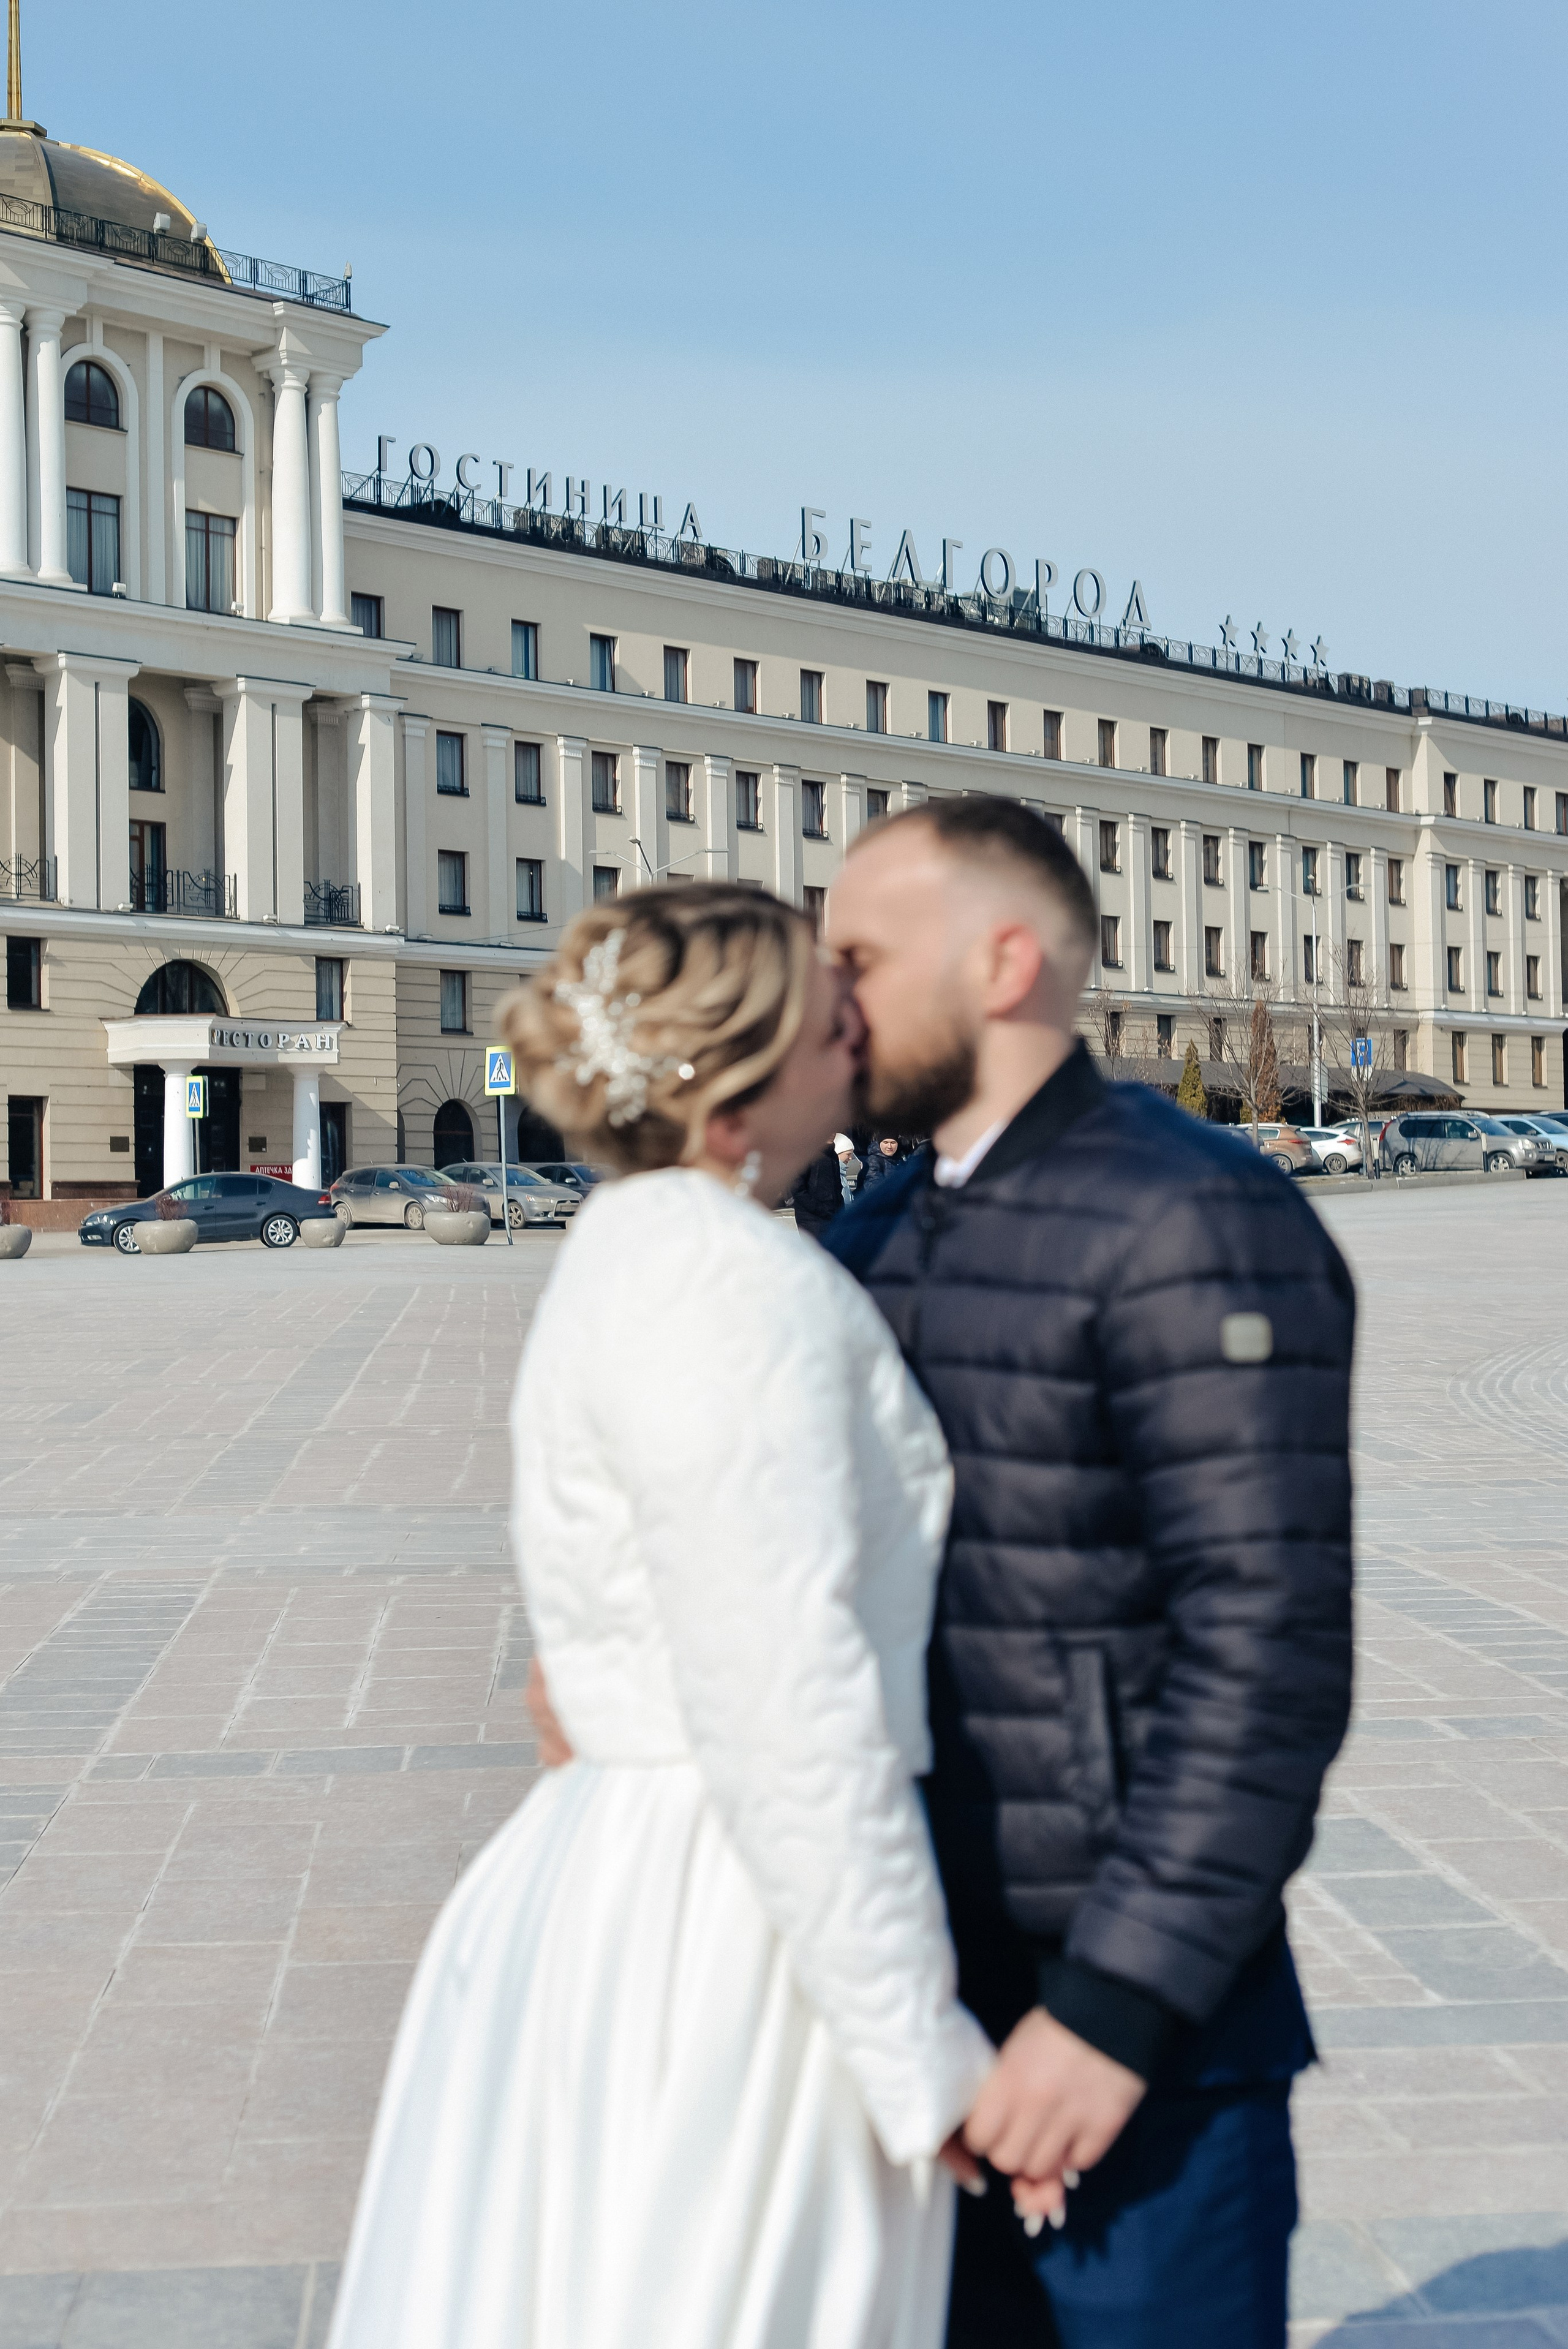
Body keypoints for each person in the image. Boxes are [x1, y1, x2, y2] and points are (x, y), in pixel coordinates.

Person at [326, 885, 993, 2349]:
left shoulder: (633, 1244)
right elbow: (786, 1698)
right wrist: (916, 2050)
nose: (859, 1028)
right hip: (728, 1922)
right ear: (741, 1072)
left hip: (625, 1869)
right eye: (831, 1009)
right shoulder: (726, 1284)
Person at [824, 797, 1355, 2349]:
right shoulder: (875, 1223)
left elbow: (1264, 1651)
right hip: (917, 2005)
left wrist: (1113, 2007)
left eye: (857, 953)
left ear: (1000, 960)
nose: (827, 994)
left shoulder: (1191, 1214)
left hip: (1127, 2047)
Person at [790, 1134, 848, 1239]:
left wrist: (840, 1209)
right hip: (811, 1219)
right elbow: (797, 1187)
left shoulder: (832, 1154)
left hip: (831, 1216)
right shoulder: (805, 1153)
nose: (831, 1134)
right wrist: (820, 1208)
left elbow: (837, 1186)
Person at [835, 1129, 864, 1203]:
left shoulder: (842, 1174)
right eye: (848, 1154)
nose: (851, 1158)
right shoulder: (833, 1175)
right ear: (837, 1153)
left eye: (852, 1155)